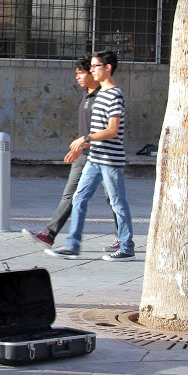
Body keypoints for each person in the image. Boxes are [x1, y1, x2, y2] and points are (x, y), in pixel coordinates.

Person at [45, 51, 135, 261]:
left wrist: (86, 139)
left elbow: (112, 130)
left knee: (117, 202)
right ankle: (72, 245)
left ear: (108, 68)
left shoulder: (115, 94)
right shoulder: (99, 94)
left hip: (110, 160)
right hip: (95, 159)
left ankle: (127, 245)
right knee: (78, 198)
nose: (92, 70)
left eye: (95, 66)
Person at [22, 56, 118, 250]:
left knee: (113, 198)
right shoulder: (86, 95)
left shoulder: (104, 96)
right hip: (85, 155)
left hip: (103, 155)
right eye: (77, 73)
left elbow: (106, 130)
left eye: (81, 72)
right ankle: (49, 235)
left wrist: (83, 145)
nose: (78, 77)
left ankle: (123, 239)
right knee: (70, 195)